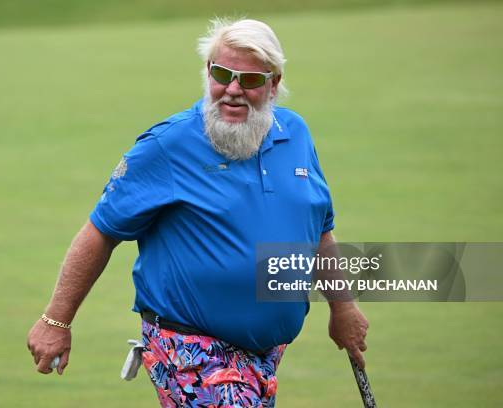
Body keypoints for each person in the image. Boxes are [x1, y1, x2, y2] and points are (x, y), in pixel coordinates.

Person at [27, 18, 369, 407]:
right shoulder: (168, 145)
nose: (233, 90)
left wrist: (343, 307)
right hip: (190, 347)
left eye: (250, 80)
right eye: (222, 74)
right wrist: (56, 320)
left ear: (274, 84)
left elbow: (319, 228)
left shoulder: (296, 134)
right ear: (208, 71)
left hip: (264, 354)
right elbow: (100, 231)